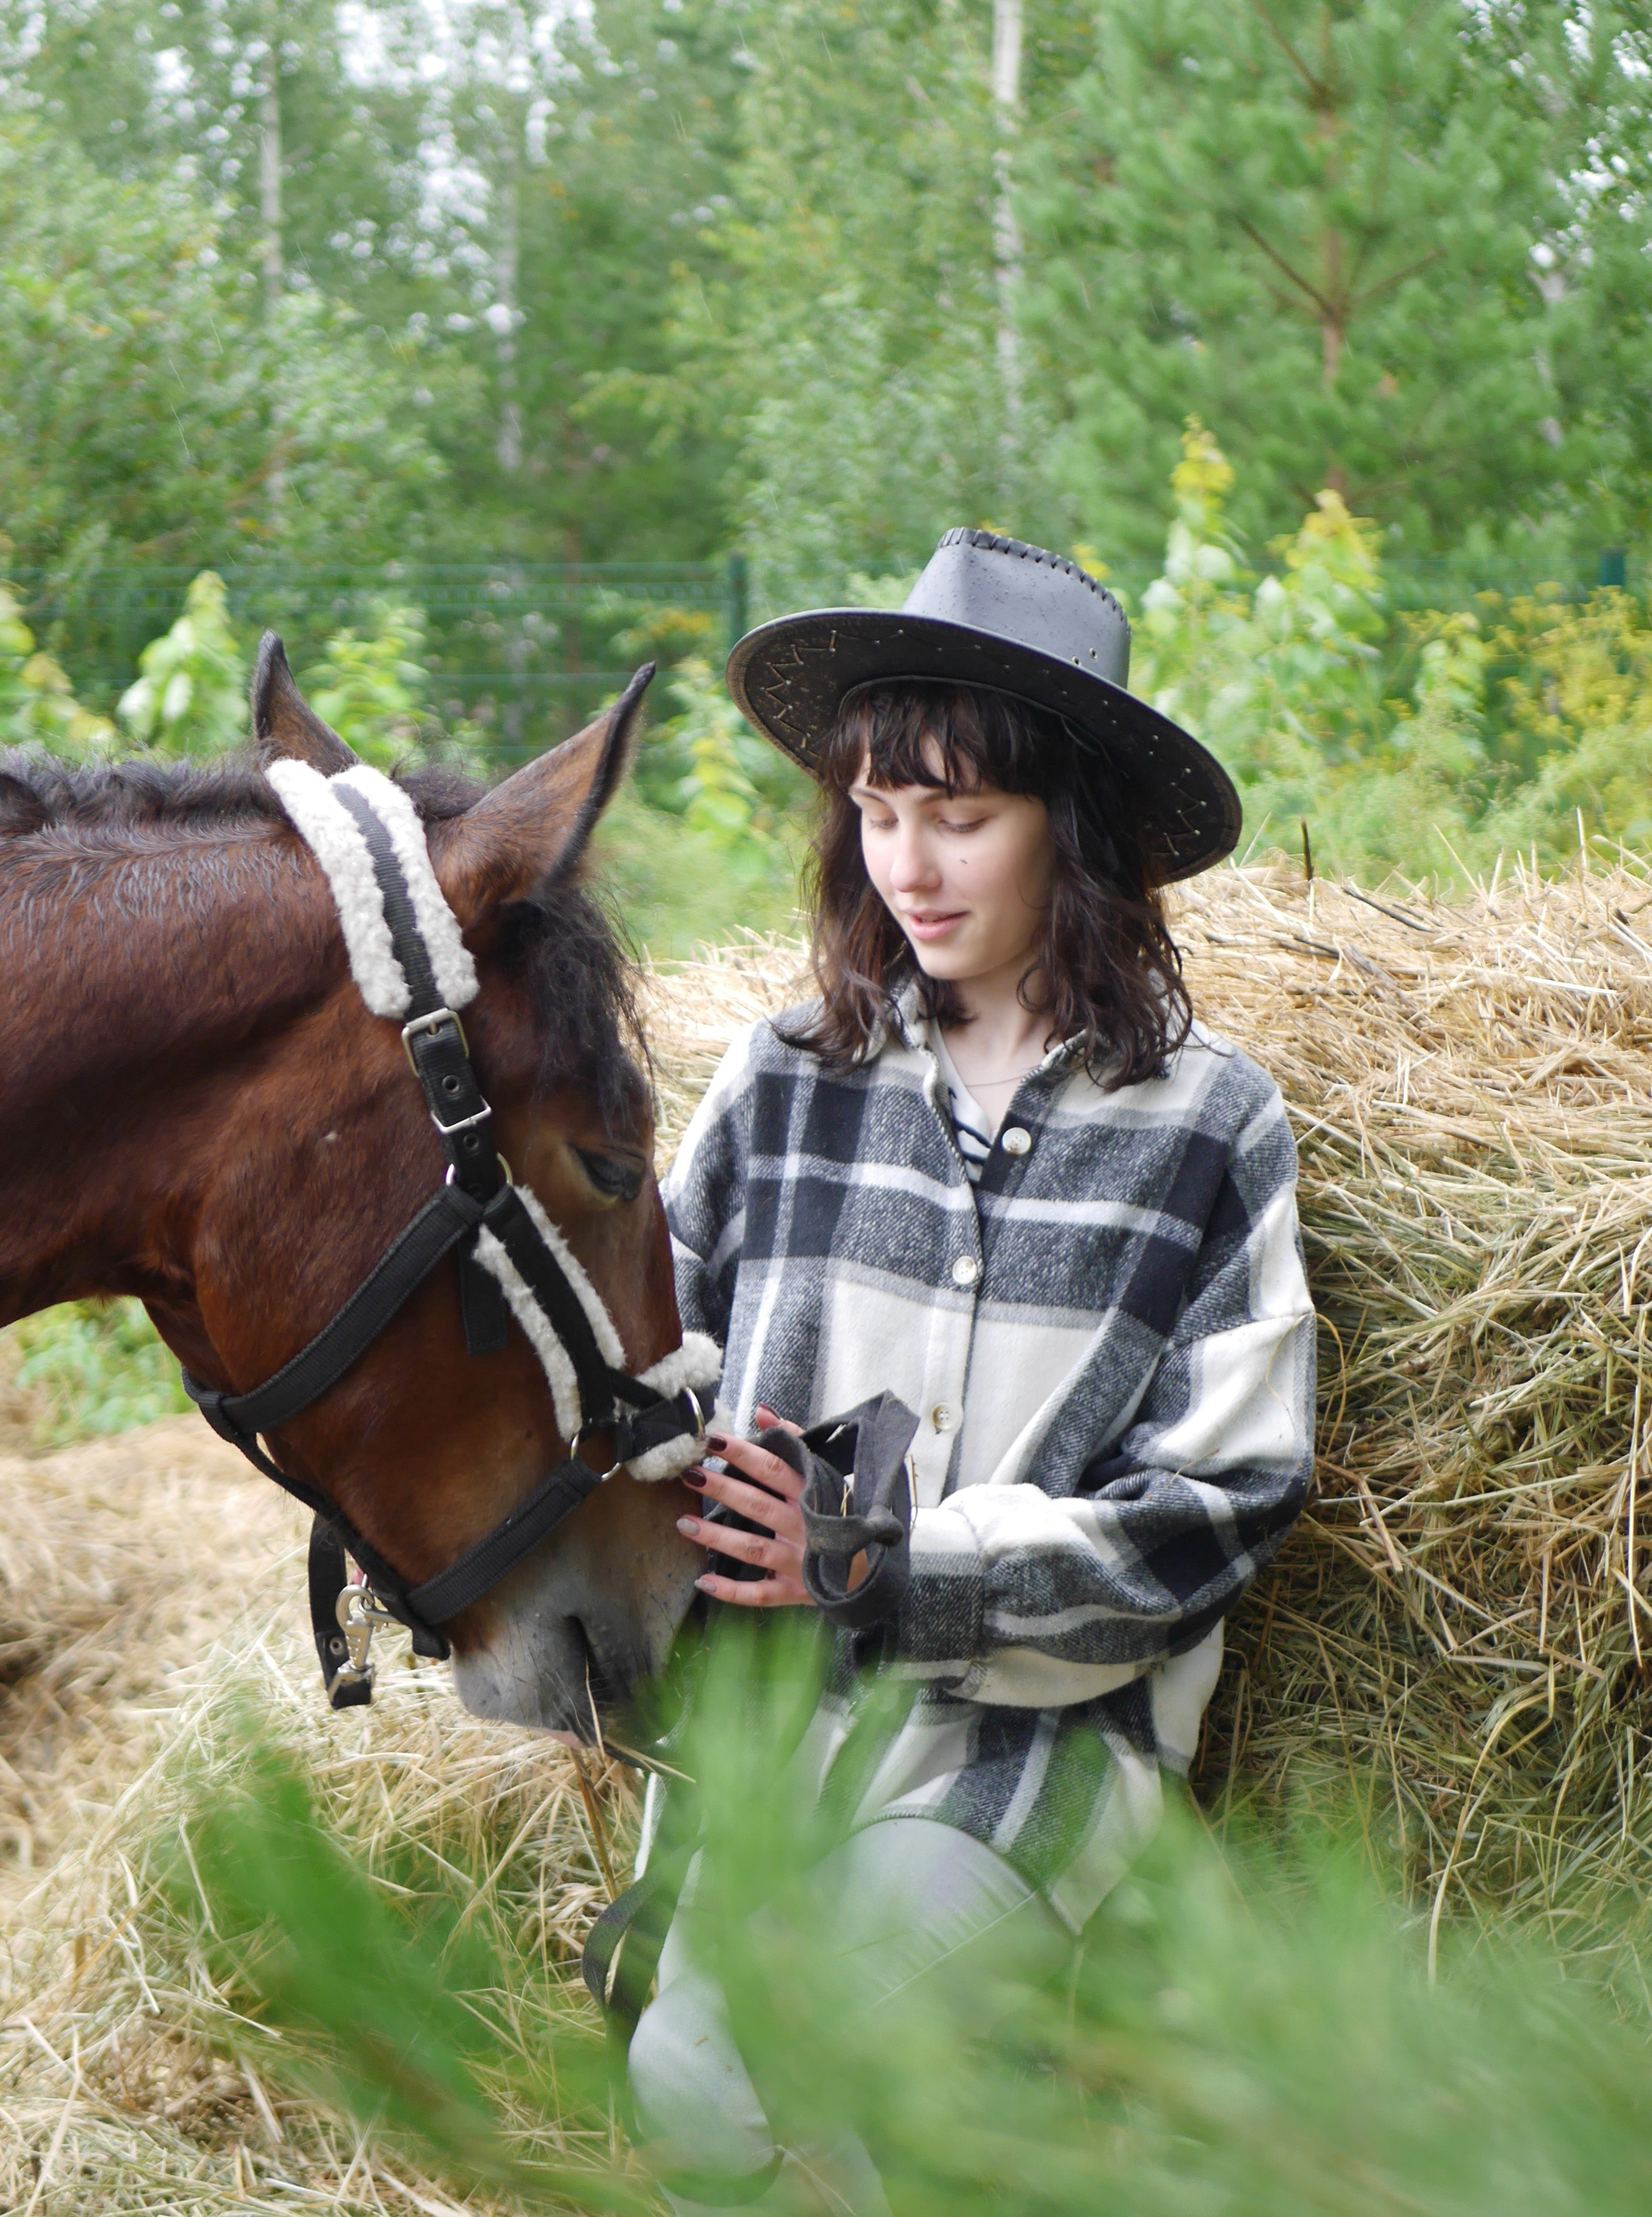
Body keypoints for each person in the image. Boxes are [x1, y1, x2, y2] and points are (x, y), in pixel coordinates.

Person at [628, 530, 1316, 2212]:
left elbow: (1221, 1507)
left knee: (775, 2060)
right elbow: (651, 1368)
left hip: (1034, 1749)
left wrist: (890, 1568)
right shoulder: (783, 1081)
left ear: (1071, 824)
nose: (908, 866)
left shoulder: (1207, 1125)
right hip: (777, 1747)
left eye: (960, 814)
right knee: (685, 2094)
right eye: (878, 811)